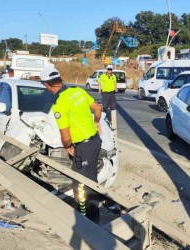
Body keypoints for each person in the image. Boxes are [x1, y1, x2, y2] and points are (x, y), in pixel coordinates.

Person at [40, 65, 103, 222]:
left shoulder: (59, 104)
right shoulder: (78, 91)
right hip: (95, 141)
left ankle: (84, 217)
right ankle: (94, 213)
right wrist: (96, 122)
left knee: (79, 183)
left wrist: (68, 147)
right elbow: (97, 109)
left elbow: (65, 137)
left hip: (83, 146)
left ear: (46, 85)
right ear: (60, 80)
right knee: (91, 178)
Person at [98, 65, 117, 129]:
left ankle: (112, 121)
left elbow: (115, 83)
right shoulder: (103, 76)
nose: (110, 70)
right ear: (107, 69)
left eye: (111, 69)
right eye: (109, 69)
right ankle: (102, 120)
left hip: (112, 93)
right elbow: (99, 83)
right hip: (105, 93)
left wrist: (116, 88)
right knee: (105, 106)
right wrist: (99, 89)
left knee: (113, 107)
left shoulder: (113, 76)